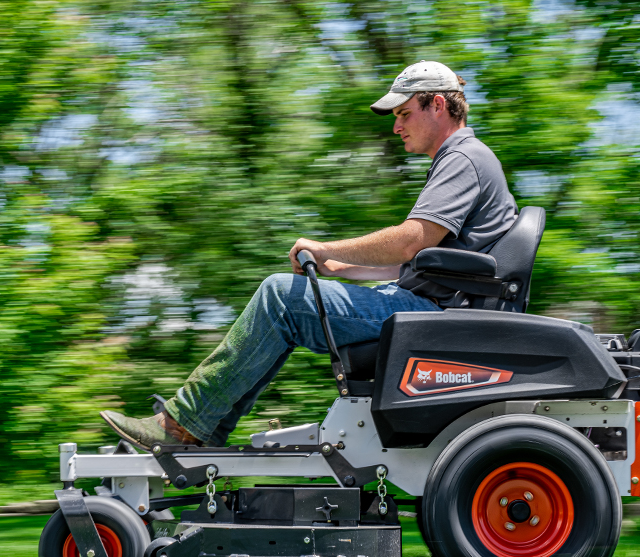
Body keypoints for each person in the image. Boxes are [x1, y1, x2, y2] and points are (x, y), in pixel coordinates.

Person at [100, 61, 519, 449]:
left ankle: (183, 427)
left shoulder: (462, 157)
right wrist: (341, 267)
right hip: (428, 306)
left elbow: (412, 241)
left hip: (430, 315)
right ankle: (200, 430)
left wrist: (323, 247)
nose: (396, 127)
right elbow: (424, 262)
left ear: (438, 105)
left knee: (281, 297)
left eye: (404, 114)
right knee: (289, 301)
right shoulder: (462, 159)